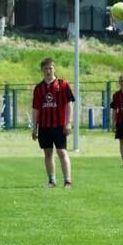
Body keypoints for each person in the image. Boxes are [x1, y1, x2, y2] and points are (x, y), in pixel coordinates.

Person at [31, 57, 75, 188]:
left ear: (54, 68)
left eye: (50, 68)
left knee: (62, 152)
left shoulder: (63, 84)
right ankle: (52, 181)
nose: (48, 71)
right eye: (46, 69)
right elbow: (35, 109)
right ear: (42, 70)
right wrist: (34, 127)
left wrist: (68, 123)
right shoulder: (39, 88)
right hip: (44, 126)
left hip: (59, 125)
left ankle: (67, 181)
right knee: (48, 153)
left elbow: (69, 104)